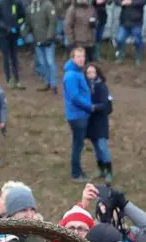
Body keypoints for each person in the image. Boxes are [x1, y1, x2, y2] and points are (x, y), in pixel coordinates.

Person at [63, 47, 93, 180]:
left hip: (80, 114)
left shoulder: (77, 72)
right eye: (78, 56)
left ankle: (78, 170)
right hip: (77, 115)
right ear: (73, 58)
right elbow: (74, 97)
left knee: (79, 144)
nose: (82, 59)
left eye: (83, 56)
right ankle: (76, 173)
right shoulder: (71, 75)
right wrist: (89, 107)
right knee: (78, 145)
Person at [85, 62, 113, 182]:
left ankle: (109, 171)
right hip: (91, 121)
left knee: (102, 146)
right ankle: (101, 169)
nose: (90, 74)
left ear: (97, 73)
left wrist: (94, 107)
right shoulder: (86, 86)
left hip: (100, 121)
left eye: (92, 72)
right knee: (96, 147)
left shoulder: (101, 86)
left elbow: (105, 105)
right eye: (88, 72)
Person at [0, 0, 27, 87]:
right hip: (4, 35)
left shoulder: (17, 3)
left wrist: (17, 25)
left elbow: (22, 17)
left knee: (14, 57)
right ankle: (8, 79)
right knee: (6, 57)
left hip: (15, 34)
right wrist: (6, 27)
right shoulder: (0, 4)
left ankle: (17, 79)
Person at [27, 0, 58, 91]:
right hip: (37, 40)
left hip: (47, 40)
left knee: (50, 62)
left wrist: (49, 37)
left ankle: (53, 84)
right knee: (42, 63)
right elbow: (29, 24)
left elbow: (52, 22)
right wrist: (23, 34)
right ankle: (46, 82)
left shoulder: (48, 5)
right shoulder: (30, 8)